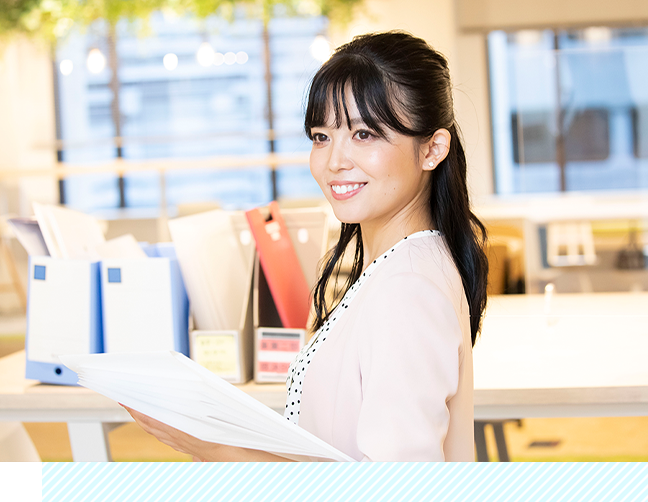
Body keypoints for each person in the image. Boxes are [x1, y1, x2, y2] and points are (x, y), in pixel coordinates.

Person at [125, 31, 488, 462]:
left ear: (432, 149)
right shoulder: (401, 266)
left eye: (365, 134)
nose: (334, 160)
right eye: (321, 136)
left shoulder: (407, 287)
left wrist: (216, 448)